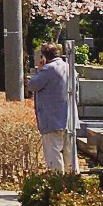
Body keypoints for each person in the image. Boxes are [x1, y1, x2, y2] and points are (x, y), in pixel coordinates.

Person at [28, 42, 77, 173]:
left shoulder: (48, 69)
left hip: (51, 118)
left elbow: (32, 85)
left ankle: (57, 181)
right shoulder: (69, 67)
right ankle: (73, 179)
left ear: (44, 57)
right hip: (69, 117)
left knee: (53, 152)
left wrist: (38, 70)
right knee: (70, 152)